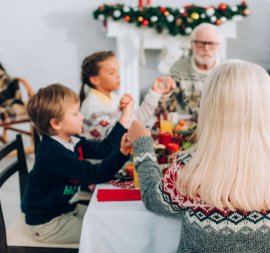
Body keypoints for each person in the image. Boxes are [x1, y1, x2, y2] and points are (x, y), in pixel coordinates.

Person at [126, 60, 270, 252]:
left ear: (209, 108)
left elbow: (154, 199)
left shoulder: (189, 169)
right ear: (266, 107)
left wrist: (143, 145)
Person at [21, 83, 133, 243]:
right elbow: (95, 174)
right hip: (48, 224)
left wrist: (125, 115)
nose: (82, 117)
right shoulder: (53, 153)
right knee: (107, 231)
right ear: (56, 123)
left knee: (111, 217)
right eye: (75, 114)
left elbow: (104, 149)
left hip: (66, 209)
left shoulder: (71, 140)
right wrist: (123, 152)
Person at [79, 51, 175, 140]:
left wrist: (155, 92)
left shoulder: (113, 98)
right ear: (95, 80)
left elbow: (136, 121)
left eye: (118, 71)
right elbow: (116, 137)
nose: (118, 76)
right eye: (112, 73)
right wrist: (126, 112)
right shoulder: (92, 107)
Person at [160, 23, 221, 117]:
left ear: (218, 46)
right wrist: (165, 94)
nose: (206, 48)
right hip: (183, 126)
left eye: (211, 43)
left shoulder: (225, 71)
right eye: (200, 43)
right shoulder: (178, 68)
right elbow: (166, 105)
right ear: (192, 45)